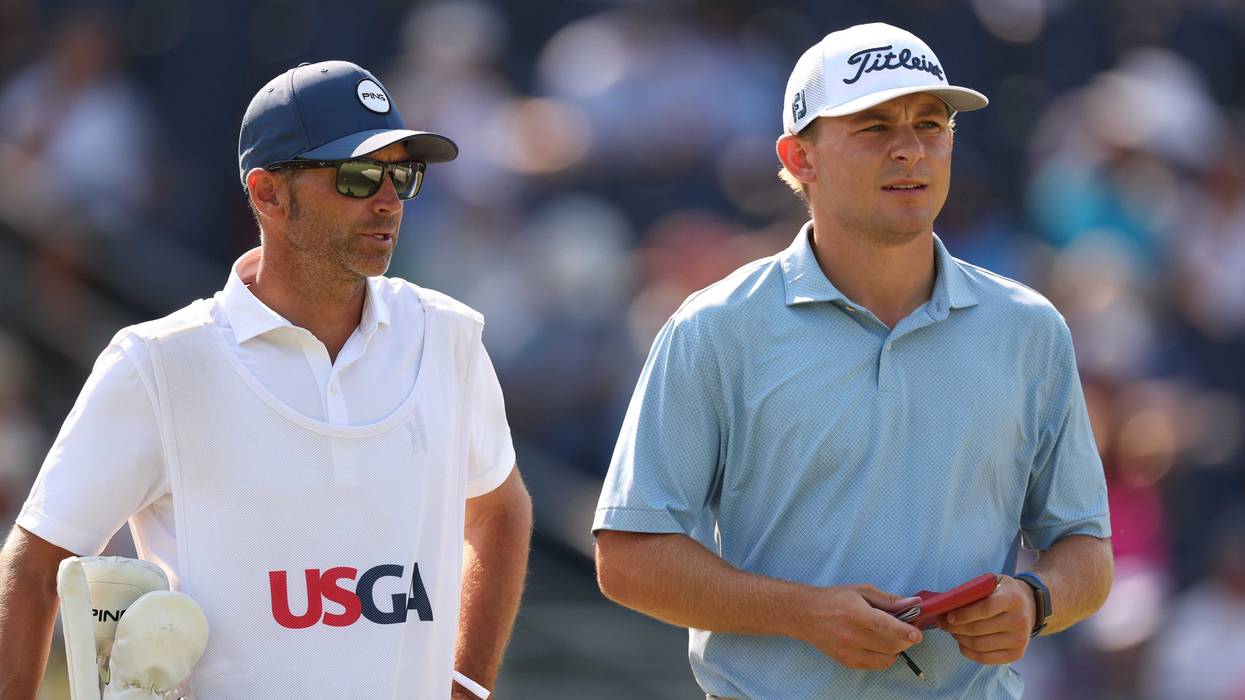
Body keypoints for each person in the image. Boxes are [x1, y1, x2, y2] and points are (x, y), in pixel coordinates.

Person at [593, 23, 1113, 699]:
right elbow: (628, 559)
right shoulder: (714, 329)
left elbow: (1086, 550)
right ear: (797, 157)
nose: (911, 151)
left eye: (931, 124)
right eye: (872, 128)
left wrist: (1034, 600)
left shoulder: (1028, 329)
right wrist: (802, 615)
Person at [0, 60, 531, 699]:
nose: (388, 198)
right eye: (359, 176)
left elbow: (501, 509)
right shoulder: (158, 364)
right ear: (268, 193)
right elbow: (33, 569)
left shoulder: (451, 339)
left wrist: (466, 685)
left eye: (402, 174)